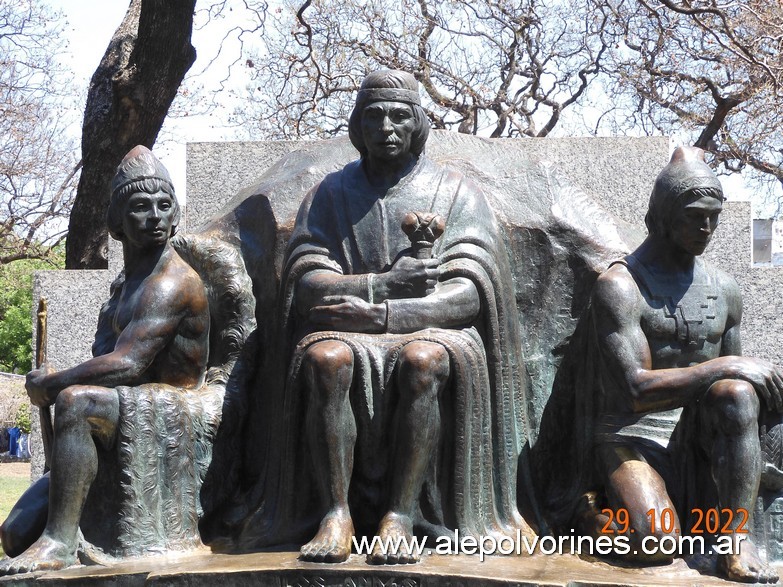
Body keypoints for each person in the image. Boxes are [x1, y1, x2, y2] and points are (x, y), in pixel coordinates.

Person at [276, 69, 534, 564]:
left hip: (430, 328)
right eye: (373, 116)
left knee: (422, 361)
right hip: (345, 327)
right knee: (325, 360)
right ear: (357, 125)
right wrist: (380, 286)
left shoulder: (456, 192)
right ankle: (336, 513)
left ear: (418, 123)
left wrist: (387, 313)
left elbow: (469, 295)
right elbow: (307, 283)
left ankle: (400, 515)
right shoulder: (330, 195)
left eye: (399, 116)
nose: (386, 128)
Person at [0, 146, 210, 575]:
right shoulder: (125, 285)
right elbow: (105, 359)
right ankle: (54, 531)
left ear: (175, 216)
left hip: (173, 411)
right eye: (140, 207)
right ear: (117, 221)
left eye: (164, 205)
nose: (155, 216)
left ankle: (60, 544)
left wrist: (54, 383)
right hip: (126, 407)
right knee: (13, 534)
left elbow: (128, 364)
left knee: (76, 401)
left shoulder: (172, 282)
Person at [585, 146, 781, 583]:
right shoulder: (620, 286)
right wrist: (724, 366)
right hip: (634, 436)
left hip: (698, 435)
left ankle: (734, 541)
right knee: (654, 541)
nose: (706, 228)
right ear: (663, 216)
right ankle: (591, 514)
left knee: (737, 393)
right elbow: (635, 389)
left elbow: (734, 392)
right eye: (694, 217)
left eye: (713, 217)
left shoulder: (725, 289)